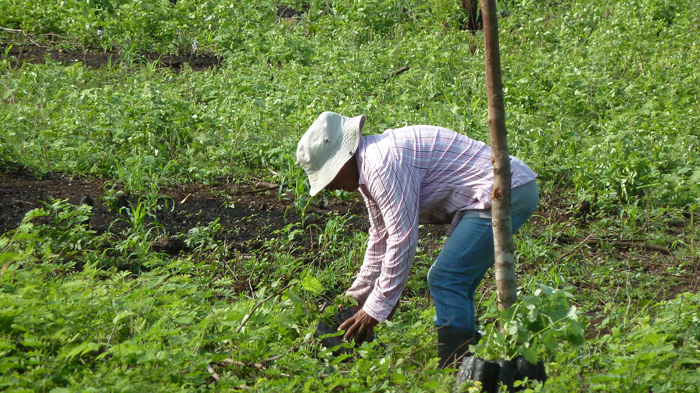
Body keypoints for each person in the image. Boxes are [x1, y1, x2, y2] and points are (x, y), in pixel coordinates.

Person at [296, 112, 538, 368]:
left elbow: (402, 238)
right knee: (454, 280)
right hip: (500, 189)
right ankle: (467, 366)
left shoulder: (381, 165)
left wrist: (376, 308)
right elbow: (381, 236)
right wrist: (357, 296)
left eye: (328, 178)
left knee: (447, 278)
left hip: (502, 189)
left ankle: (455, 365)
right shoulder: (369, 167)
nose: (330, 188)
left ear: (342, 161)